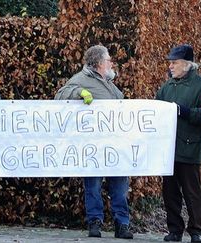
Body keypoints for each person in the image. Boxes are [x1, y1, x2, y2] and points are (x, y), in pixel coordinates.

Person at [54, 45, 133, 239]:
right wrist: (78, 93)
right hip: (94, 146)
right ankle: (94, 222)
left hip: (115, 144)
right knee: (93, 186)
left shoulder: (108, 82)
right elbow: (60, 95)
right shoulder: (80, 80)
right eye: (108, 60)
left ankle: (122, 224)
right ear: (98, 63)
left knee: (120, 187)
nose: (111, 63)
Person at [156, 44, 201, 243]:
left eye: (175, 63)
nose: (170, 66)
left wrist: (185, 112)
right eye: (170, 63)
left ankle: (196, 231)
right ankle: (174, 230)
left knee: (192, 192)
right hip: (168, 148)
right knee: (170, 193)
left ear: (187, 64)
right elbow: (157, 110)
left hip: (190, 147)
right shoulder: (167, 86)